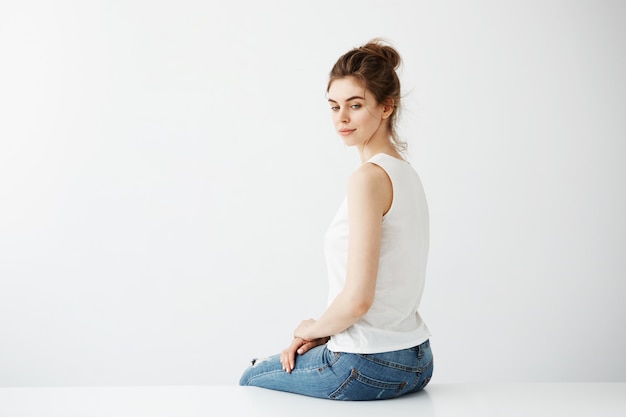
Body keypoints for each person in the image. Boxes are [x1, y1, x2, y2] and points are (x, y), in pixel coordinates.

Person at [239, 39, 433, 401]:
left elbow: (358, 300)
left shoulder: (368, 178)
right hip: (418, 359)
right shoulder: (406, 175)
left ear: (386, 106)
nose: (341, 118)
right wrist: (323, 332)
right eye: (334, 106)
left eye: (355, 105)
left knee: (251, 377)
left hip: (366, 364)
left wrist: (312, 328)